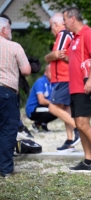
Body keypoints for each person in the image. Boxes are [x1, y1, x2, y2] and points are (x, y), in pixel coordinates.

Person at [60, 7, 91, 173]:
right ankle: (88, 160)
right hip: (75, 87)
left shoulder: (88, 33)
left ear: (73, 18)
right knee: (79, 125)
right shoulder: (74, 38)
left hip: (87, 86)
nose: (63, 22)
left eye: (65, 19)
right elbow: (75, 59)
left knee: (82, 123)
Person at [0, 16, 31, 178]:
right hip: (6, 92)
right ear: (4, 30)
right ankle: (5, 169)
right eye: (10, 28)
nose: (11, 31)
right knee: (7, 129)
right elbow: (26, 70)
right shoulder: (14, 46)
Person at [44, 13, 80, 152]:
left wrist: (46, 57)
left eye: (51, 26)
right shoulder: (68, 35)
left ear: (56, 25)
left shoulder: (63, 34)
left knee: (53, 108)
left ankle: (78, 129)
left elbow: (56, 54)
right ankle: (70, 139)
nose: (51, 30)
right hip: (66, 77)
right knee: (66, 109)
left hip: (64, 78)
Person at [25, 64, 57, 133]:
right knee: (55, 108)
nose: (53, 74)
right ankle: (37, 123)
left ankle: (43, 124)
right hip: (33, 109)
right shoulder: (40, 82)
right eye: (51, 72)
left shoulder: (54, 83)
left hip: (43, 107)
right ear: (45, 73)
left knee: (59, 108)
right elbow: (41, 101)